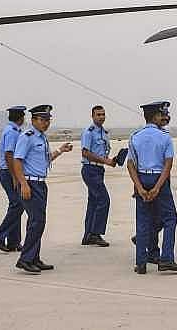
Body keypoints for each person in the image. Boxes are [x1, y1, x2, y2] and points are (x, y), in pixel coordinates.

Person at [11, 105, 73, 273]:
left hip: (40, 184)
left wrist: (60, 150)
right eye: (43, 120)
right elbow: (17, 160)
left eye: (48, 120)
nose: (46, 123)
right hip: (30, 183)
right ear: (33, 120)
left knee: (37, 222)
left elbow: (46, 160)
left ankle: (34, 258)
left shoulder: (41, 137)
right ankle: (25, 259)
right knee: (37, 221)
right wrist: (23, 184)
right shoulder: (27, 137)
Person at [127, 101, 177, 274]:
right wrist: (157, 187)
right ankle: (166, 259)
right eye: (162, 114)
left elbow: (130, 164)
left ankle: (141, 263)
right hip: (159, 178)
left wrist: (139, 187)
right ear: (155, 116)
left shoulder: (135, 136)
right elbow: (168, 165)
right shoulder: (164, 137)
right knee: (170, 219)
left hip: (141, 177)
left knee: (143, 221)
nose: (164, 117)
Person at [0, 106, 26, 253]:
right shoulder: (12, 132)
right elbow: (9, 155)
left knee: (16, 205)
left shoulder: (11, 130)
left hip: (9, 172)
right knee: (18, 204)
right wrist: (15, 176)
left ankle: (13, 242)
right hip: (9, 173)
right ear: (21, 118)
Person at [80, 105, 115, 247]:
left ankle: (88, 235)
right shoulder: (89, 132)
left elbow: (102, 152)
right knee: (104, 200)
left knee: (94, 202)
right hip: (90, 169)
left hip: (99, 170)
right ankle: (95, 234)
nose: (101, 117)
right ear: (92, 116)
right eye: (98, 114)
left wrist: (110, 161)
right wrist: (106, 161)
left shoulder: (104, 132)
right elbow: (85, 153)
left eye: (103, 114)